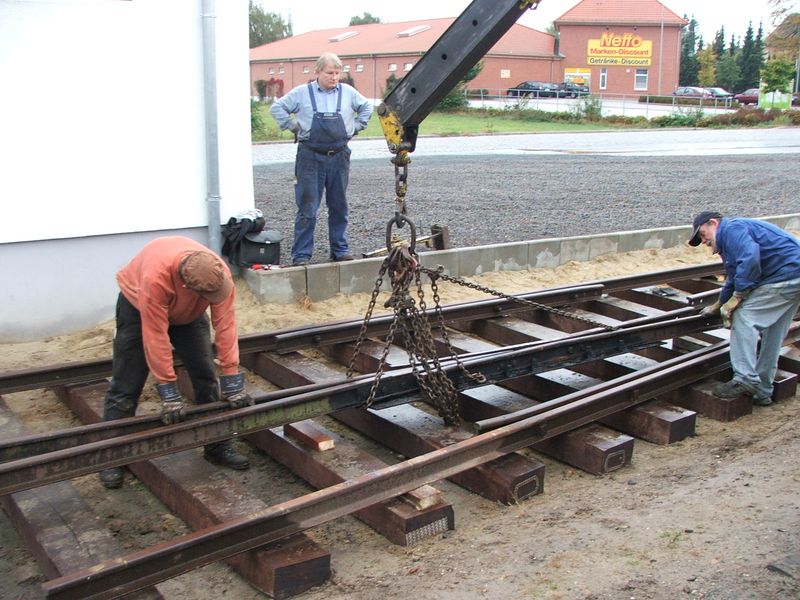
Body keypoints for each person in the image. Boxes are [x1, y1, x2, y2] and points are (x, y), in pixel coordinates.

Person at [99, 236, 254, 489]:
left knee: (205, 376)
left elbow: (226, 326)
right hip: (139, 307)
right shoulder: (154, 280)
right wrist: (169, 391)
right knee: (126, 384)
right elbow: (155, 337)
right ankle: (112, 458)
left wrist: (232, 377)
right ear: (188, 288)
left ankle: (217, 445)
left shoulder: (218, 273)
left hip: (188, 314)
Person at [270, 52, 373, 266]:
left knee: (339, 206)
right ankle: (301, 255)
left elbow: (367, 107)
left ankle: (340, 249)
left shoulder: (348, 93)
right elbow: (277, 108)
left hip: (339, 156)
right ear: (318, 72)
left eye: (337, 73)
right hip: (310, 157)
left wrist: (357, 126)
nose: (334, 77)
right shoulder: (301, 93)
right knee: (307, 208)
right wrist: (293, 126)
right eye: (329, 73)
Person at [689, 211, 800, 406]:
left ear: (713, 223)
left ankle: (745, 379)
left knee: (744, 317)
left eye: (702, 234)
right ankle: (763, 391)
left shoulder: (731, 229)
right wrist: (720, 304)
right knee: (773, 332)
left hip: (785, 276)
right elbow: (735, 275)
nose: (703, 241)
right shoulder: (731, 237)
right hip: (794, 277)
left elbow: (749, 262)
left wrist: (738, 298)